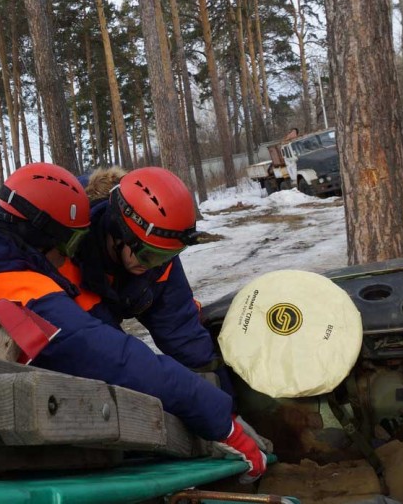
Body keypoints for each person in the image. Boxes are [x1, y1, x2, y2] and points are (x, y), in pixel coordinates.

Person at [0, 163, 266, 482]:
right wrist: (222, 423)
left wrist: (224, 405)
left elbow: (180, 335)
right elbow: (116, 359)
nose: (69, 253)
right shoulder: (30, 290)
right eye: (69, 242)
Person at [64, 165, 267, 481]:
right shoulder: (65, 252)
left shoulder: (157, 252)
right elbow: (114, 359)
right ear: (118, 232)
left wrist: (228, 414)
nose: (152, 267)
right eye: (149, 256)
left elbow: (186, 338)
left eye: (165, 257)